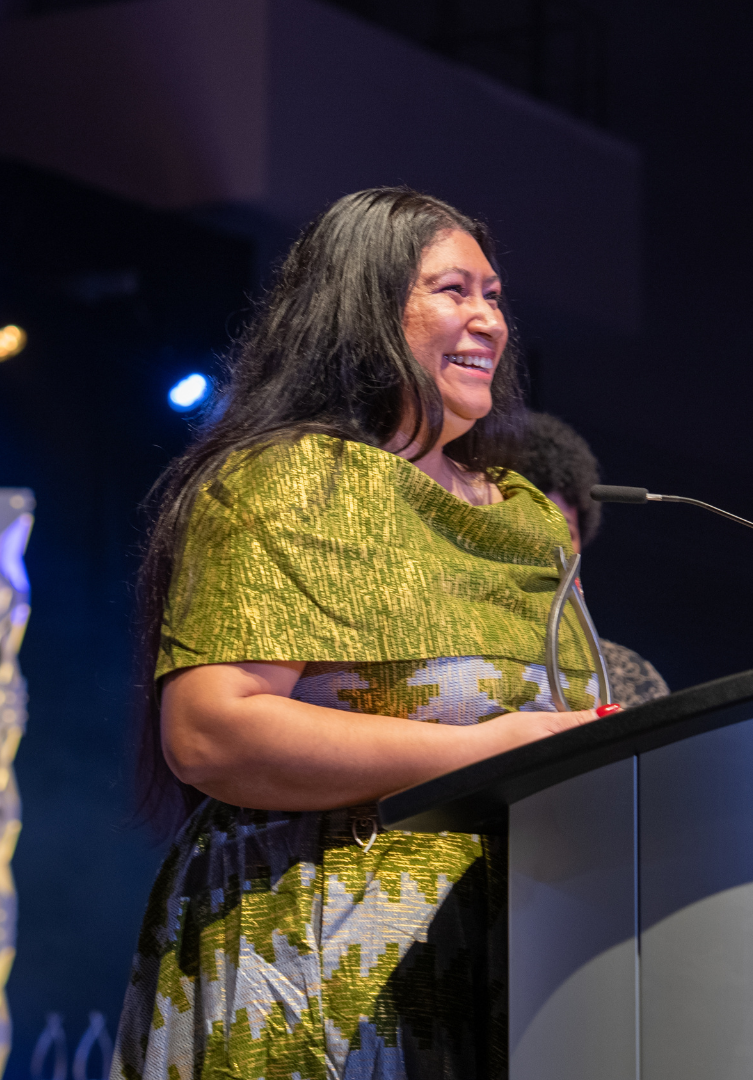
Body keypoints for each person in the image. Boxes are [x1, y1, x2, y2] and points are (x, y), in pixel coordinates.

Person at [112, 189, 618, 1080]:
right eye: (452, 291)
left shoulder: (533, 522)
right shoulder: (288, 480)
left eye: (494, 296)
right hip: (322, 970)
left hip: (522, 970)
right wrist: (490, 751)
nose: (487, 320)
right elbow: (210, 730)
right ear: (366, 308)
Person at [517, 412, 671, 705]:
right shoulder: (461, 668)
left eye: (563, 530)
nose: (549, 545)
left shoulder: (629, 676)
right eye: (529, 525)